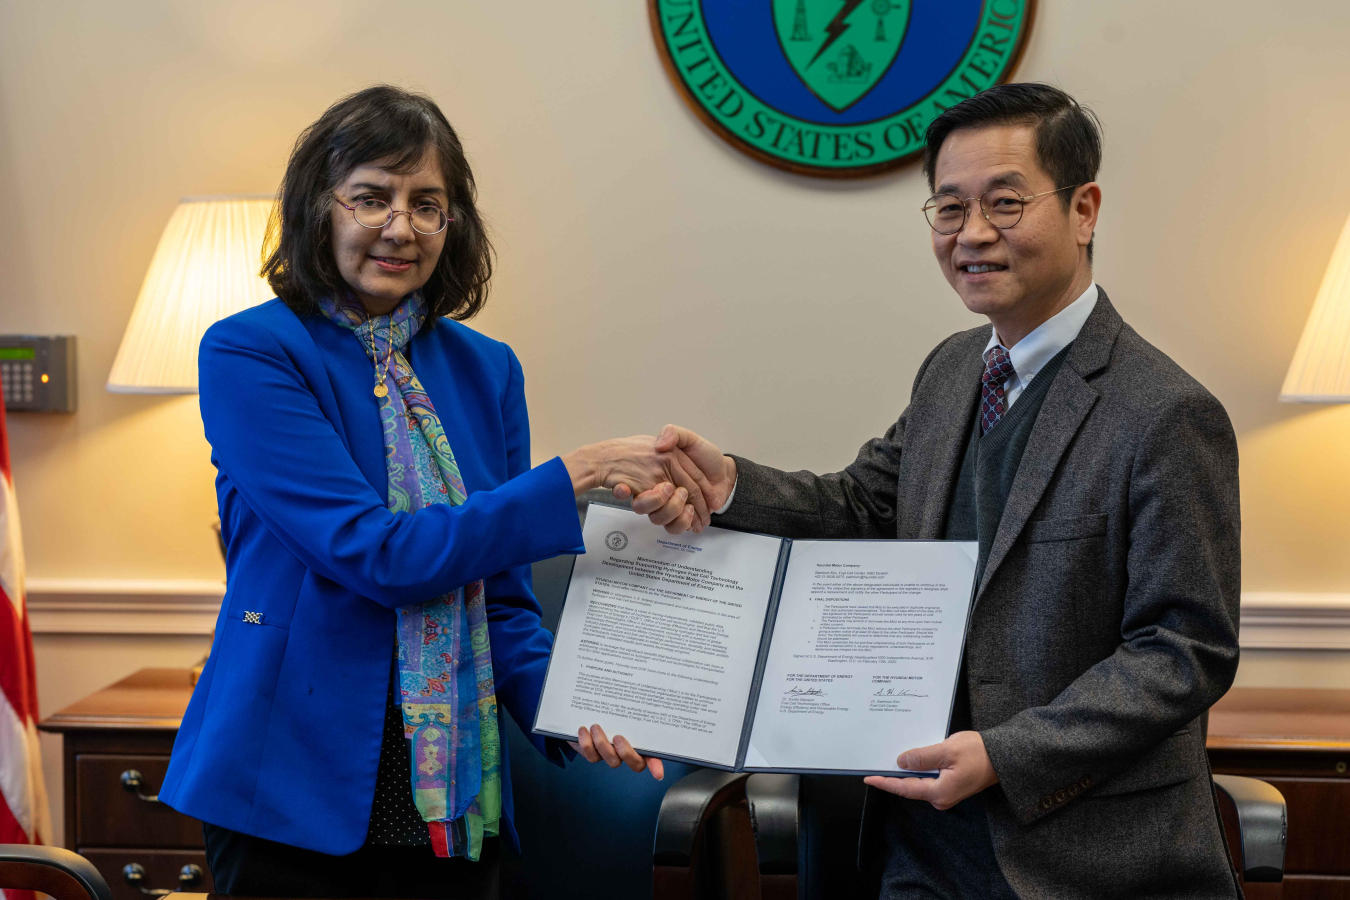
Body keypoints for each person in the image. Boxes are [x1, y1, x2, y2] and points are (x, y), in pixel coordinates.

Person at [625, 83, 1243, 898]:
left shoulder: (1167, 413)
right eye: (949, 210)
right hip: (918, 842)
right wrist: (729, 482)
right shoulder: (954, 370)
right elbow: (861, 506)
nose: (973, 235)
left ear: (1085, 209)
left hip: (1084, 857)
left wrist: (1006, 755)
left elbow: (1184, 650)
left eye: (1005, 203)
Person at [159, 85, 713, 900]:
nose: (400, 227)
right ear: (319, 209)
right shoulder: (250, 352)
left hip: (456, 792)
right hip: (292, 784)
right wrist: (575, 475)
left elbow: (502, 605)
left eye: (428, 204)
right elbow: (376, 554)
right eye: (372, 198)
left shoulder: (486, 367)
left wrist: (580, 705)